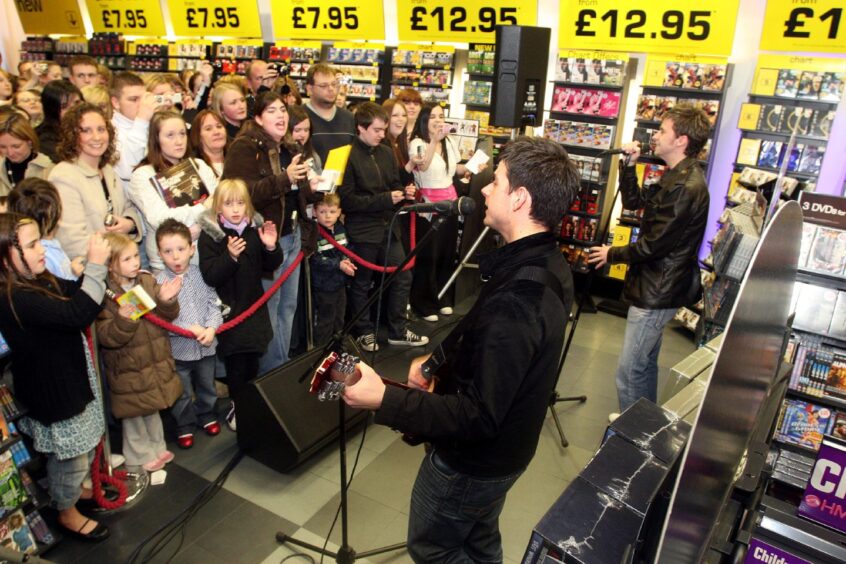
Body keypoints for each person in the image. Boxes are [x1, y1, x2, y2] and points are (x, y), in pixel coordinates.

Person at [341, 136, 578, 562]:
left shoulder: (518, 301)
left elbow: (477, 416)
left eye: (497, 182)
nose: (484, 188)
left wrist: (386, 398)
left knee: (434, 549)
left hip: (473, 464)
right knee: (479, 538)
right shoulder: (543, 263)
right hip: (507, 454)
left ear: (520, 199)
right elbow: (479, 321)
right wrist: (435, 361)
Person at [588, 104, 710, 414]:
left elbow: (655, 245)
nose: (655, 136)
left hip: (658, 290)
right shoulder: (676, 176)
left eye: (662, 131)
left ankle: (633, 441)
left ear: (681, 140)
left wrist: (611, 253)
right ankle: (646, 426)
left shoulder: (686, 186)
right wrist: (629, 165)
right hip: (655, 285)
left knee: (629, 372)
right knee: (643, 365)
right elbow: (634, 202)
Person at [0, 214, 112, 542]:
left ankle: (75, 492)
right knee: (70, 459)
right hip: (53, 390)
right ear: (7, 254)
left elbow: (75, 294)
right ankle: (67, 510)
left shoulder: (37, 278)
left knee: (83, 447)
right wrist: (95, 266)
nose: (42, 251)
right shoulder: (12, 295)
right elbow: (76, 313)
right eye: (32, 245)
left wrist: (90, 274)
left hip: (69, 378)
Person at [221, 92, 319, 373]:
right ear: (258, 117)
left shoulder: (287, 145)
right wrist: (284, 178)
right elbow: (241, 195)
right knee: (269, 310)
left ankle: (281, 366)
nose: (281, 115)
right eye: (272, 110)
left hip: (293, 234)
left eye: (283, 110)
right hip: (267, 242)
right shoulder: (245, 147)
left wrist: (315, 189)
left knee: (288, 307)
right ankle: (271, 375)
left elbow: (296, 192)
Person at [338, 102, 427, 352]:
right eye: (376, 130)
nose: (381, 134)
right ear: (360, 128)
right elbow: (347, 200)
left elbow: (394, 183)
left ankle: (397, 329)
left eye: (383, 129)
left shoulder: (387, 152)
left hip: (389, 227)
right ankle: (363, 330)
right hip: (363, 229)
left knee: (402, 275)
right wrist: (387, 199)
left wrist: (406, 192)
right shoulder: (345, 155)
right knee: (362, 281)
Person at [198, 179, 283, 431]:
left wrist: (270, 246)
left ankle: (251, 403)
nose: (235, 209)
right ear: (218, 208)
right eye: (228, 204)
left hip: (254, 309)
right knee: (236, 366)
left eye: (240, 203)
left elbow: (270, 265)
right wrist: (230, 256)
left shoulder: (253, 230)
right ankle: (238, 404)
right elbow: (211, 275)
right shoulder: (211, 236)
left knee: (253, 360)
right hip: (230, 313)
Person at [95, 233, 183, 472]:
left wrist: (166, 300)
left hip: (153, 359)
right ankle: (139, 456)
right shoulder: (104, 295)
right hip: (127, 367)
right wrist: (123, 319)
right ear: (111, 264)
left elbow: (168, 316)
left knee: (152, 408)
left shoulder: (145, 282)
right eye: (127, 259)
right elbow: (107, 337)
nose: (136, 262)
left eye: (136, 256)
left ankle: (157, 447)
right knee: (133, 415)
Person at [155, 219, 223, 449]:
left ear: (191, 249)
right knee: (182, 392)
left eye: (181, 249)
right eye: (168, 251)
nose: (175, 257)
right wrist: (188, 328)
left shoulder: (202, 274)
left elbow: (214, 305)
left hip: (206, 345)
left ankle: (207, 415)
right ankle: (184, 425)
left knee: (207, 385)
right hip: (178, 350)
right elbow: (161, 317)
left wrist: (211, 328)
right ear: (159, 253)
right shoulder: (158, 282)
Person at [49, 103, 142, 260]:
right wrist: (117, 258)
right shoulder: (63, 176)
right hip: (90, 270)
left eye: (101, 129)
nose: (97, 137)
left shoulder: (108, 170)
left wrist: (129, 224)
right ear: (72, 135)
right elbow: (72, 241)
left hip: (120, 265)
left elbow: (129, 208)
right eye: (86, 131)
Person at [128, 110, 218, 272]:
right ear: (156, 139)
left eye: (182, 134)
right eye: (170, 135)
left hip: (209, 256)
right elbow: (161, 218)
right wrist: (203, 209)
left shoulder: (199, 165)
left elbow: (219, 208)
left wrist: (199, 224)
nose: (179, 141)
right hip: (168, 265)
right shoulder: (143, 175)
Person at [7, 178, 83, 280]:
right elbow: (60, 291)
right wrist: (75, 275)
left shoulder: (48, 244)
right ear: (50, 213)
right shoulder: (42, 256)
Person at [310, 193, 355, 345]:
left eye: (332, 212)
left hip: (340, 283)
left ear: (339, 212)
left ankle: (338, 348)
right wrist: (338, 264)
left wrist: (348, 260)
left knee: (339, 318)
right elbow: (315, 260)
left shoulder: (341, 228)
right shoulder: (314, 232)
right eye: (322, 212)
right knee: (325, 320)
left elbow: (348, 248)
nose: (327, 216)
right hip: (324, 286)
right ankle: (322, 352)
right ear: (315, 212)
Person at [110, 72, 158, 190]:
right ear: (116, 103)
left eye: (143, 99)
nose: (141, 105)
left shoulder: (148, 123)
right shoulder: (109, 130)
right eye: (133, 99)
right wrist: (142, 120)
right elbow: (130, 169)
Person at [304, 63, 355, 163]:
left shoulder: (349, 118)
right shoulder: (299, 117)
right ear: (309, 89)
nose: (331, 89)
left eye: (334, 84)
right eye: (324, 86)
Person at [0, 112, 53, 196]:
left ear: (30, 142)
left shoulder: (50, 170)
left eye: (16, 146)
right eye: (3, 147)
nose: (10, 153)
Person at [36, 80, 83, 163]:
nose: (74, 110)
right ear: (52, 110)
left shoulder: (91, 128)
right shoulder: (45, 140)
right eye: (64, 106)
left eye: (77, 103)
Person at [190, 110, 229, 177]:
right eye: (208, 129)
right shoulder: (196, 169)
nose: (216, 132)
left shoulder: (238, 160)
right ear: (198, 136)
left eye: (219, 126)